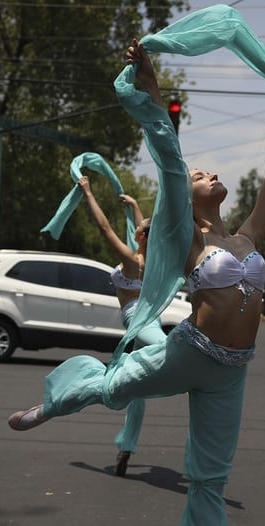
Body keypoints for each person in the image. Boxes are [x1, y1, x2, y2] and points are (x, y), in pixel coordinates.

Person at [6, 39, 265, 526]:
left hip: (233, 370)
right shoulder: (188, 237)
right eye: (204, 176)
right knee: (115, 386)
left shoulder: (249, 235)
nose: (212, 175)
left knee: (211, 480)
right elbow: (170, 154)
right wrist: (149, 82)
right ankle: (52, 404)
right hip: (189, 352)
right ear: (190, 200)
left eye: (215, 174)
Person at [77, 175, 170, 476]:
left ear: (141, 238)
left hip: (137, 317)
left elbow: (104, 228)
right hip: (148, 317)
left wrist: (88, 192)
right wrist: (133, 208)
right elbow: (146, 232)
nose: (136, 230)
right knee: (139, 388)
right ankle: (126, 446)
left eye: (138, 230)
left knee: (165, 351)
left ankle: (115, 381)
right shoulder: (151, 257)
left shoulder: (132, 261)